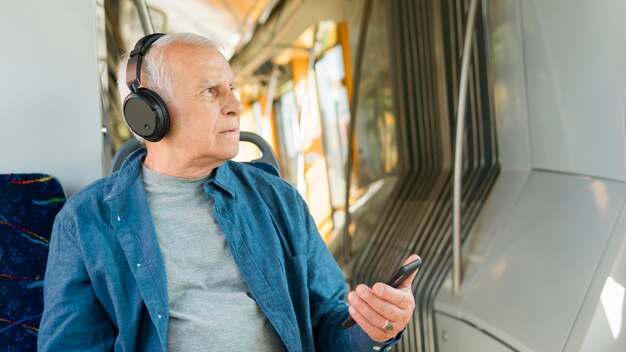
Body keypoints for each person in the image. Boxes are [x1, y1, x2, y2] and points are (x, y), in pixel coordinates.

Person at [38, 32, 419, 351]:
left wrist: (372, 329)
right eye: (211, 91)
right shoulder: (86, 222)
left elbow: (328, 322)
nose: (235, 105)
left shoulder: (277, 200)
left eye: (232, 88)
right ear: (149, 112)